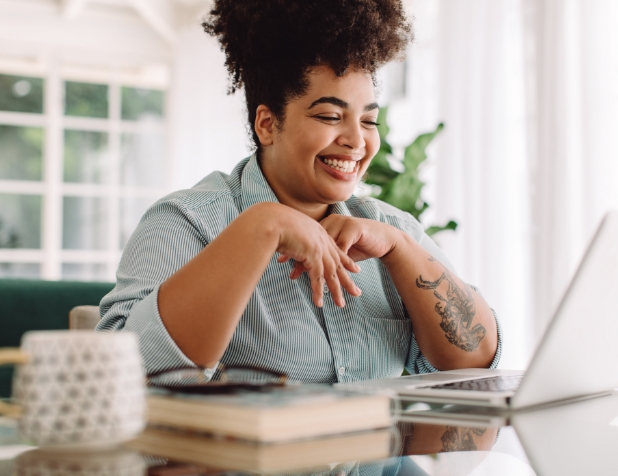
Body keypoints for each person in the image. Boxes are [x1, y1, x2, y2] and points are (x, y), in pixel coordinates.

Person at [98, 0, 501, 382]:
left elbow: (476, 363)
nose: (356, 141)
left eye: (369, 121)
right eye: (330, 116)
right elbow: (117, 376)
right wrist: (260, 227)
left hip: (378, 454)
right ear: (267, 124)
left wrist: (401, 250)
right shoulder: (186, 222)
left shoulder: (389, 229)